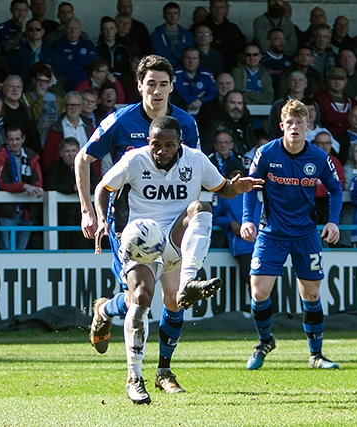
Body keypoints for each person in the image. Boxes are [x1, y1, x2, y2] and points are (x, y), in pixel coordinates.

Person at [92, 115, 263, 404]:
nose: (161, 151)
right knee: (141, 298)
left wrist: (238, 187)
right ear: (148, 142)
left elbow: (224, 188)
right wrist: (100, 221)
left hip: (174, 238)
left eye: (168, 145)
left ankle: (165, 368)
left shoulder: (196, 160)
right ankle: (134, 377)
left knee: (202, 207)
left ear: (179, 143)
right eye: (156, 145)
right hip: (140, 241)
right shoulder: (134, 160)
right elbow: (102, 189)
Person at [77, 56, 200, 348]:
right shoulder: (121, 120)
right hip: (128, 224)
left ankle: (164, 372)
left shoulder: (186, 123)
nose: (156, 91)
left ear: (172, 87)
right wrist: (87, 211)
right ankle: (105, 310)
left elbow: (195, 171)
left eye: (163, 85)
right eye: (150, 84)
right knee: (138, 298)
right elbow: (83, 158)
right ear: (139, 86)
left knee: (174, 298)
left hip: (170, 220)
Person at [240, 98, 343, 370]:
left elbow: (336, 189)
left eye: (300, 123)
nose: (294, 127)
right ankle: (265, 342)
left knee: (311, 295)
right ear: (281, 126)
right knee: (259, 292)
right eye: (290, 123)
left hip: (305, 233)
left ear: (308, 126)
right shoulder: (266, 153)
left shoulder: (319, 157)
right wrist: (247, 220)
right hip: (271, 232)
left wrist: (332, 222)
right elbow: (251, 187)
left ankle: (316, 355)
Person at [212, 161, 260, 313]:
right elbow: (214, 217)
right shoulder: (222, 196)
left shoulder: (252, 192)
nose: (237, 178)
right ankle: (257, 314)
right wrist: (231, 223)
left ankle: (271, 315)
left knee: (264, 279)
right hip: (242, 245)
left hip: (261, 243)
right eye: (233, 175)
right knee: (250, 280)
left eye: (240, 174)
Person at [0, 125, 44, 250]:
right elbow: (2, 184)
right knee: (7, 251)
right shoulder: (0, 156)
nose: (14, 143)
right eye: (11, 139)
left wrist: (36, 188)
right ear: (6, 140)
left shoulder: (31, 155)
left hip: (27, 211)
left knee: (22, 252)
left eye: (17, 139)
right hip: (7, 212)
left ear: (23, 139)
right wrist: (24, 186)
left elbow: (38, 180)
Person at [44, 137, 95, 249]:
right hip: (62, 216)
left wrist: (82, 187)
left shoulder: (86, 166)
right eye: (67, 151)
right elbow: (50, 186)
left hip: (82, 216)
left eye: (73, 151)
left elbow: (95, 185)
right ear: (61, 153)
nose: (70, 154)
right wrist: (72, 188)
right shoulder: (55, 167)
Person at [51, 18, 99, 92]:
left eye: (76, 28)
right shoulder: (56, 45)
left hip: (86, 86)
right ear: (65, 30)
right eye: (70, 28)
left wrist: (73, 57)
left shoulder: (88, 44)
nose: (73, 32)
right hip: (65, 85)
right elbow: (59, 66)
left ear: (80, 31)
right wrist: (84, 57)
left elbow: (94, 63)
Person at [314, 67, 357, 137]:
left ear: (346, 81)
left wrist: (338, 121)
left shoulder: (352, 101)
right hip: (327, 138)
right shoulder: (320, 97)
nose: (337, 81)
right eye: (334, 78)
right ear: (328, 80)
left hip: (348, 138)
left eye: (341, 79)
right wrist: (348, 120)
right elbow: (329, 118)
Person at [202, 0, 246, 72]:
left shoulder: (233, 28)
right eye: (215, 8)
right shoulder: (201, 27)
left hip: (229, 69)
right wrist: (228, 42)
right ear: (210, 8)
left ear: (227, 9)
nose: (218, 11)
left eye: (222, 8)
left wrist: (221, 42)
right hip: (206, 68)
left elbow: (241, 46)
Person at [150, 2, 194, 70]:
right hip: (164, 69)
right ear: (164, 16)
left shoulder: (186, 34)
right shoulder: (156, 35)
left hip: (184, 70)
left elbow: (190, 53)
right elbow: (159, 56)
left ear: (179, 15)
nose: (172, 16)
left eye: (175, 13)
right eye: (169, 13)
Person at [173, 47, 217, 113]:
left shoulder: (207, 75)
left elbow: (213, 94)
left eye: (194, 58)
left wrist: (201, 100)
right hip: (180, 112)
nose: (191, 61)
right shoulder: (175, 74)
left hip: (203, 113)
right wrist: (196, 97)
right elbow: (175, 97)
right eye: (188, 58)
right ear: (183, 59)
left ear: (199, 60)